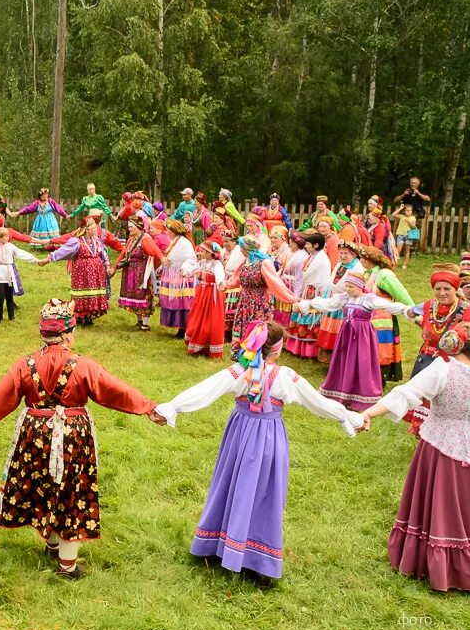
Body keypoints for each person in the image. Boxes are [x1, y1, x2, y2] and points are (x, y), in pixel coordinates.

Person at [0, 298, 162, 579]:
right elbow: (114, 390)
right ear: (66, 334)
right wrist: (148, 407)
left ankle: (53, 545)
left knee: (43, 486)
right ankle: (68, 566)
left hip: (34, 434)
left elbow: (1, 396)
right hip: (72, 435)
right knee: (72, 493)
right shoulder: (83, 365)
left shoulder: (25, 364)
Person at [152, 321, 363, 583]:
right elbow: (316, 402)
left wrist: (174, 406)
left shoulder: (240, 371)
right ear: (277, 348)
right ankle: (257, 559)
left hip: (239, 436)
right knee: (265, 493)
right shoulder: (285, 376)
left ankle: (220, 545)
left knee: (232, 485)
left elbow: (208, 388)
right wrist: (347, 417)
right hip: (269, 438)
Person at [358, 322, 470, 592]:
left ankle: (438, 562)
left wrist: (368, 413)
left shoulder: (442, 369)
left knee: (441, 505)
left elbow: (405, 394)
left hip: (441, 445)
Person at [298, 273, 411, 410]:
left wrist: (406, 309)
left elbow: (387, 306)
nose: (348, 289)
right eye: (346, 286)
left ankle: (362, 394)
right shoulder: (344, 298)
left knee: (362, 360)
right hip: (346, 335)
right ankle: (341, 390)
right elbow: (326, 304)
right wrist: (308, 304)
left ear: (360, 286)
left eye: (351, 287)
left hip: (363, 336)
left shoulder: (368, 299)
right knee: (345, 360)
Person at [226, 237, 297, 360]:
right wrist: (226, 285)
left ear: (246, 248)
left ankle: (258, 354)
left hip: (260, 302)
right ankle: (242, 354)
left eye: (241, 247)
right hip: (245, 301)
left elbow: (275, 282)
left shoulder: (264, 262)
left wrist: (291, 298)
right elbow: (237, 278)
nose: (240, 250)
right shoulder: (245, 262)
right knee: (243, 326)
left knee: (257, 328)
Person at [38, 212, 114, 325]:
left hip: (96, 273)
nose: (96, 230)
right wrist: (48, 259)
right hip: (82, 273)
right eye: (93, 228)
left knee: (93, 294)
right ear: (87, 229)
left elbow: (103, 254)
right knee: (82, 294)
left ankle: (89, 317)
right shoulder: (76, 241)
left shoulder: (97, 240)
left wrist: (107, 265)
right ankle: (80, 318)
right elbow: (62, 251)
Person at [359, 245, 415, 385]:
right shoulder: (368, 273)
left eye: (363, 257)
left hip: (383, 320)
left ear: (370, 259)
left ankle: (379, 378)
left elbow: (402, 295)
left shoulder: (384, 275)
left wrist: (413, 311)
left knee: (381, 349)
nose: (360, 260)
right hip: (369, 319)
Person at [285, 232, 333, 359]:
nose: (305, 246)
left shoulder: (321, 259)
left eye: (307, 244)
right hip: (309, 288)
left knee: (310, 318)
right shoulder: (313, 256)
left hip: (316, 291)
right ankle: (298, 347)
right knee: (303, 315)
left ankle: (308, 350)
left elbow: (314, 276)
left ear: (316, 245)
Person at [113, 217, 165, 331]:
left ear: (138, 227)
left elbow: (155, 250)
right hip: (131, 271)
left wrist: (162, 258)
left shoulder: (146, 239)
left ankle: (145, 324)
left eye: (131, 227)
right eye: (129, 227)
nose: (129, 229)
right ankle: (139, 321)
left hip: (142, 272)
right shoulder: (132, 238)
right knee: (136, 295)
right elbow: (123, 252)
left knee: (144, 294)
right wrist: (114, 266)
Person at [316, 242, 363, 364]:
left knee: (340, 329)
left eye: (346, 253)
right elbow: (332, 280)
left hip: (345, 302)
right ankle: (329, 355)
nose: (342, 256)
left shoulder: (356, 267)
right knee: (331, 327)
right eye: (341, 253)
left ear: (353, 254)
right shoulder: (339, 264)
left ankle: (341, 358)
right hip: (334, 299)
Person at [182, 240, 227, 358]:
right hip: (202, 292)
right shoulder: (202, 263)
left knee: (210, 318)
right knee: (198, 316)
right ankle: (198, 341)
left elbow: (220, 276)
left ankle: (208, 344)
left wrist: (221, 283)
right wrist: (184, 270)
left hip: (212, 294)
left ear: (209, 253)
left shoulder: (216, 264)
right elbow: (191, 271)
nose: (200, 253)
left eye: (202, 251)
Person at [159, 219, 197, 336]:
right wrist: (162, 266)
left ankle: (184, 328)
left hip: (181, 276)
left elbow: (192, 259)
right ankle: (179, 326)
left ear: (174, 231)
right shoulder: (174, 241)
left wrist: (184, 268)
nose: (166, 232)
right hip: (172, 275)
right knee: (174, 301)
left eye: (168, 230)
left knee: (182, 302)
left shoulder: (184, 242)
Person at [393, 176, 430, 244]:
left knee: (414, 231)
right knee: (402, 230)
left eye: (415, 183)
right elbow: (395, 200)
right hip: (405, 214)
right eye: (412, 183)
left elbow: (428, 199)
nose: (413, 184)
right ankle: (401, 247)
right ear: (410, 183)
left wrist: (418, 193)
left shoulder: (421, 190)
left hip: (416, 214)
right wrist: (403, 194)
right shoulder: (406, 190)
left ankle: (412, 250)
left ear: (418, 183)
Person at [392, 203, 418, 269]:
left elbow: (414, 227)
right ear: (404, 211)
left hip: (408, 236)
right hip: (401, 235)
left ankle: (405, 265)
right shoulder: (401, 216)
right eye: (407, 210)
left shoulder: (413, 218)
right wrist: (400, 208)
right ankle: (394, 264)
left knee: (407, 250)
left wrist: (408, 222)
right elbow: (393, 214)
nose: (409, 212)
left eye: (410, 210)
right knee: (398, 250)